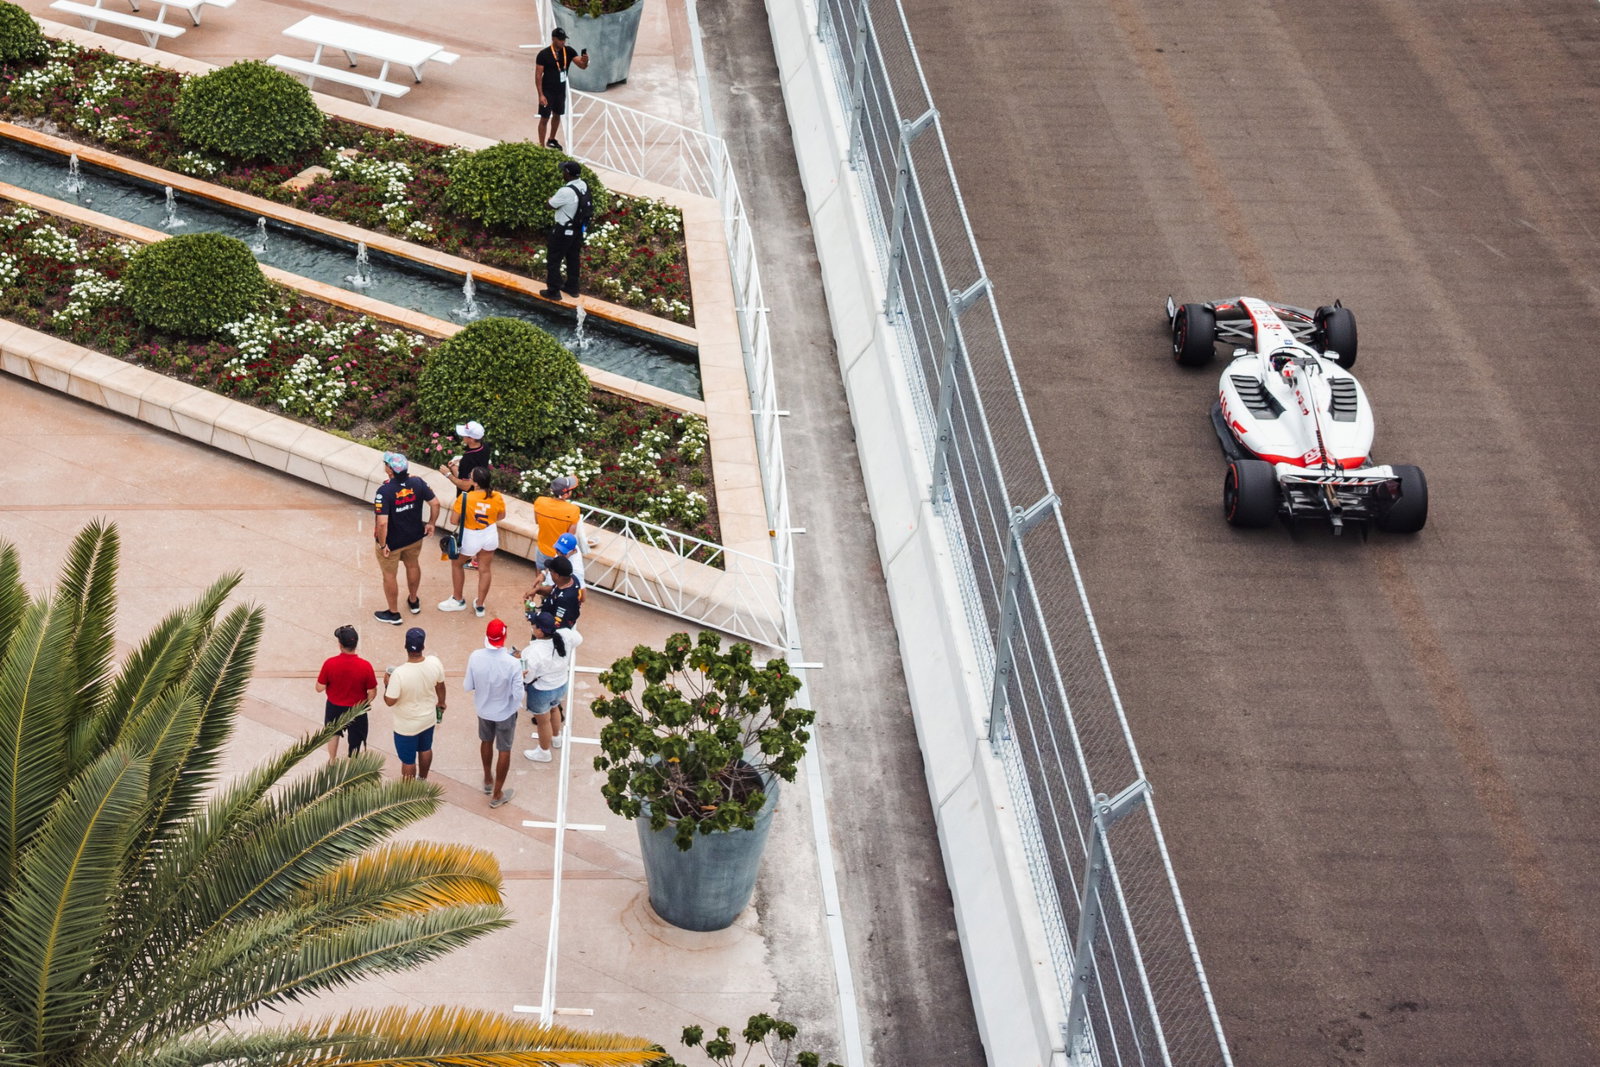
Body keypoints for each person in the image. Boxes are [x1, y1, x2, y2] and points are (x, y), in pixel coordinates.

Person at [372, 452, 439, 625]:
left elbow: (382, 523)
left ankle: (394, 614)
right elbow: (435, 503)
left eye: (386, 463)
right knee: (413, 565)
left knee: (389, 575)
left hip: (392, 543)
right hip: (415, 537)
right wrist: (431, 523)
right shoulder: (418, 482)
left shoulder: (384, 491)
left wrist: (382, 543)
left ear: (390, 470)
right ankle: (414, 601)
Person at [464, 618, 524, 807]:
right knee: (504, 749)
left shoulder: (475, 656)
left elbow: (468, 685)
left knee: (486, 741)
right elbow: (518, 694)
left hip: (483, 709)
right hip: (505, 713)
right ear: (504, 637)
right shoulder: (513, 664)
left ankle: (488, 779)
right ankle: (497, 793)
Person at [439, 467, 507, 617]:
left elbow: (453, 520)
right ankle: (480, 605)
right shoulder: (497, 496)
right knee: (485, 569)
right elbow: (501, 516)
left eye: (470, 476)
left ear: (475, 483)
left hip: (471, 535)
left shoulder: (465, 498)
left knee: (457, 564)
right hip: (489, 533)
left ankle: (458, 599)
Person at [382, 626, 446, 781]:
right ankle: (422, 779)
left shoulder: (399, 674)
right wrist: (441, 703)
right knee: (425, 749)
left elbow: (390, 701)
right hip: (427, 719)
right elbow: (440, 686)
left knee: (408, 760)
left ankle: (409, 793)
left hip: (406, 726)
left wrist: (386, 685)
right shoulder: (434, 663)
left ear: (405, 647)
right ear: (423, 646)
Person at [520, 611, 584, 763]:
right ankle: (557, 738)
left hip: (542, 690)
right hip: (561, 684)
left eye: (534, 626)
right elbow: (579, 639)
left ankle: (544, 751)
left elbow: (528, 677)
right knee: (555, 708)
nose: (532, 628)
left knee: (543, 721)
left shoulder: (532, 652)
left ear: (540, 631)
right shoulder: (565, 635)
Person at [315, 625, 377, 761]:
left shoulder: (330, 664)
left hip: (334, 706)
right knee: (356, 738)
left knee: (332, 734)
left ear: (340, 645)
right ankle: (352, 763)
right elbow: (372, 692)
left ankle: (332, 760)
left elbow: (319, 688)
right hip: (356, 709)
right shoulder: (365, 666)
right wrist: (365, 703)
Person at [534, 27, 588, 151]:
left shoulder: (568, 51)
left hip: (560, 91)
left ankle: (551, 139)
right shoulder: (543, 55)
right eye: (560, 39)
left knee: (557, 115)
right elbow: (538, 76)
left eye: (564, 39)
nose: (563, 42)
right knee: (545, 118)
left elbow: (581, 65)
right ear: (553, 39)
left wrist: (585, 61)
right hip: (547, 91)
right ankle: (541, 146)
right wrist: (540, 95)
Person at [541, 160, 588, 299]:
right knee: (573, 257)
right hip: (577, 229)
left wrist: (550, 199)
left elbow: (549, 205)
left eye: (563, 171)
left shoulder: (565, 191)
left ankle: (553, 291)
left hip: (563, 230)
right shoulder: (583, 185)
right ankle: (572, 288)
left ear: (567, 174)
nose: (562, 173)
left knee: (553, 259)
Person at [533, 474, 581, 570]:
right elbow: (570, 535)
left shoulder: (540, 501)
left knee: (540, 577)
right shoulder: (573, 510)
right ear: (566, 494)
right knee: (555, 580)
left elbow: (537, 521)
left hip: (542, 549)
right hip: (559, 553)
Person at [526, 554, 583, 631]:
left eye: (550, 571)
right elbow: (554, 589)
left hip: (552, 634)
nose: (549, 573)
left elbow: (555, 626)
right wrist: (538, 589)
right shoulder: (570, 578)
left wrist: (532, 615)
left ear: (556, 575)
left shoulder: (564, 601)